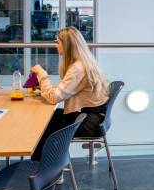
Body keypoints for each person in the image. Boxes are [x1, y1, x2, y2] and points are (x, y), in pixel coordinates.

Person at [30, 26, 109, 161]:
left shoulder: (78, 68)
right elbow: (66, 89)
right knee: (51, 118)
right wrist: (43, 89)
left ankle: (43, 167)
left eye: (58, 42)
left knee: (44, 125)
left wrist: (42, 75)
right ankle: (48, 165)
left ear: (67, 45)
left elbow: (54, 98)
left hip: (88, 123)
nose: (56, 45)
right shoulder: (83, 63)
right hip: (92, 117)